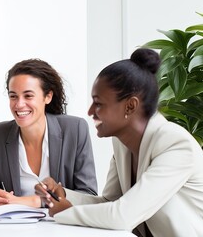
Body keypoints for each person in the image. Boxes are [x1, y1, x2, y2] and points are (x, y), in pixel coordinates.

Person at [35, 48, 203, 237]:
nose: (90, 111)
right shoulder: (123, 144)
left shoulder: (177, 145)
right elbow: (111, 202)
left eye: (98, 103)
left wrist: (65, 212)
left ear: (130, 106)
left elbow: (122, 216)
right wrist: (65, 195)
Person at [0, 59, 98, 209]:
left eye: (28, 96)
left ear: (47, 96)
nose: (19, 104)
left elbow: (88, 195)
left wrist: (33, 201)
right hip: (15, 227)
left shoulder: (75, 129)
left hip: (61, 227)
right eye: (13, 96)